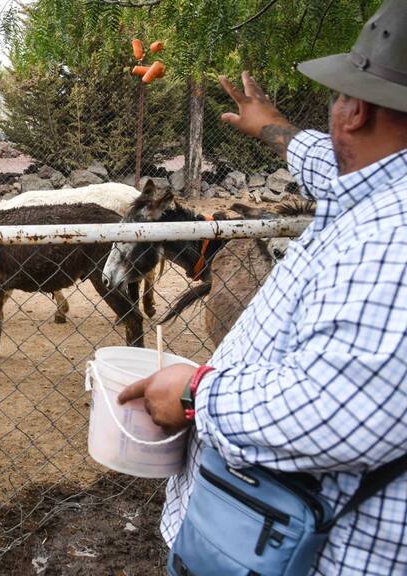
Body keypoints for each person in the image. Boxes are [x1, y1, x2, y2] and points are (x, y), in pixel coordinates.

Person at [118, 1, 407, 573]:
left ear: (352, 110)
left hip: (308, 550)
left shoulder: (393, 237)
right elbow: (335, 165)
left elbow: (339, 411)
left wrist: (196, 393)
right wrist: (267, 124)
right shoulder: (379, 188)